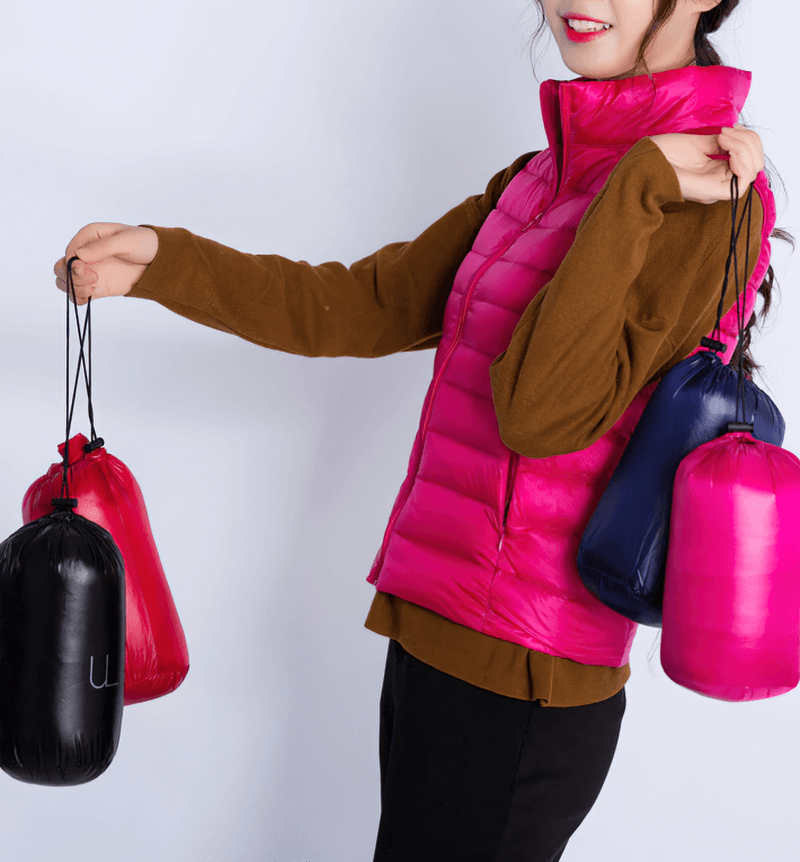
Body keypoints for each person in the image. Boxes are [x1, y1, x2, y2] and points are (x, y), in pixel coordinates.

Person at [54, 1, 783, 859]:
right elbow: (369, 305)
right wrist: (164, 262)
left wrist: (636, 189)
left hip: (523, 678)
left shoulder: (707, 198)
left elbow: (540, 415)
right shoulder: (550, 173)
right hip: (439, 636)